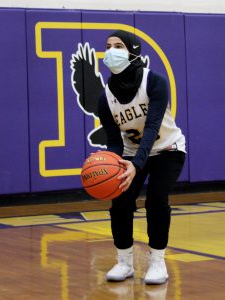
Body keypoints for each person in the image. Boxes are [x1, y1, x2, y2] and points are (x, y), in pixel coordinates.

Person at [98, 30, 186, 284]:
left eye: (118, 46)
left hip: (168, 149)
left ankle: (157, 262)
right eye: (108, 46)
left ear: (133, 51)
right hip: (131, 153)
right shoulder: (106, 98)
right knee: (121, 202)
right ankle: (124, 262)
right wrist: (110, 164)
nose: (111, 51)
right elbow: (115, 141)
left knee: (157, 198)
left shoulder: (154, 81)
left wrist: (137, 165)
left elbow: (152, 127)